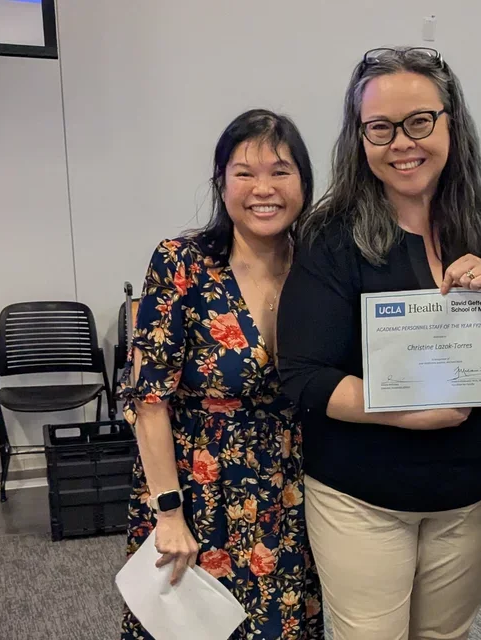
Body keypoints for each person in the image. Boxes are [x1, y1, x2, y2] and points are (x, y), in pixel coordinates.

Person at [276, 47, 481, 640]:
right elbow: (301, 377)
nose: (401, 142)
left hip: (472, 491)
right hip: (362, 495)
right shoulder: (332, 237)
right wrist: (403, 410)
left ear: (451, 122)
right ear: (360, 138)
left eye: (419, 121)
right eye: (380, 128)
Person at [119, 109, 324, 640]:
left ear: (303, 181)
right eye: (244, 173)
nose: (264, 189)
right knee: (195, 627)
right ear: (221, 183)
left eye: (281, 171)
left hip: (290, 489)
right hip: (198, 488)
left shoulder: (318, 266)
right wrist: (167, 510)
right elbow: (148, 399)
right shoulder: (181, 263)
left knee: (284, 626)